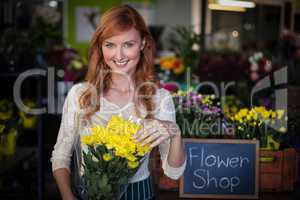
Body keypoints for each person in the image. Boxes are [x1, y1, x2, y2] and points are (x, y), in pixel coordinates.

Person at [51, 4, 186, 200]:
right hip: (88, 194)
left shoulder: (160, 98)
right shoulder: (80, 95)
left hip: (139, 194)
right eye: (110, 45)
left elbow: (173, 172)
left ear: (142, 44)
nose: (119, 55)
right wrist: (67, 196)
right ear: (100, 46)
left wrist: (175, 132)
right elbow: (61, 156)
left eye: (128, 44)